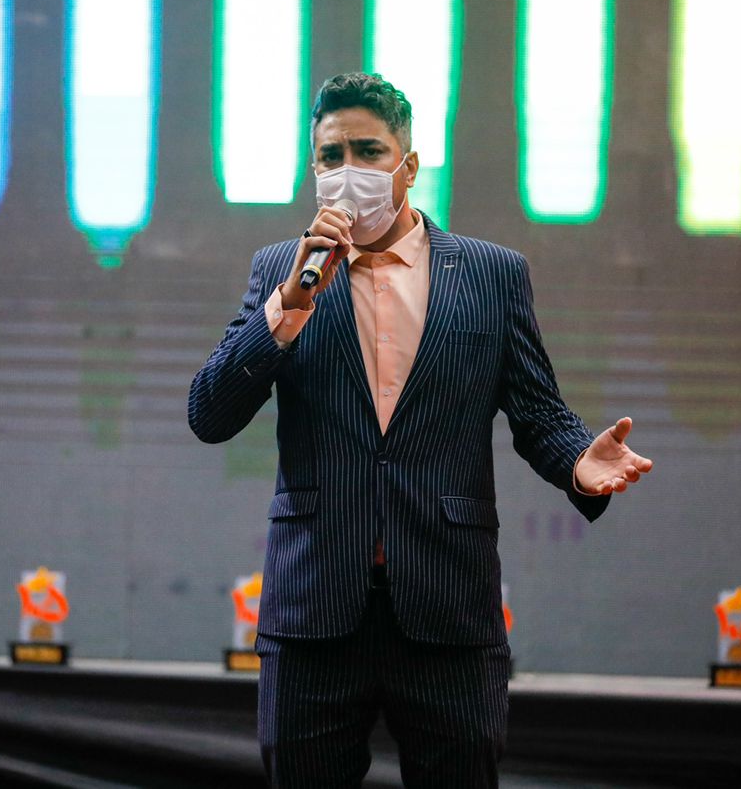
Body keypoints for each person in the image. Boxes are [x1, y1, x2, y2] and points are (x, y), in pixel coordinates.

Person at [188, 72, 652, 788]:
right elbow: (210, 414)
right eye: (331, 155)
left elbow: (539, 413)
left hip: (448, 608)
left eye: (368, 152)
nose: (348, 171)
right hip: (314, 610)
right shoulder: (281, 271)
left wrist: (576, 464)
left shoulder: (492, 275)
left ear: (408, 165)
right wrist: (289, 307)